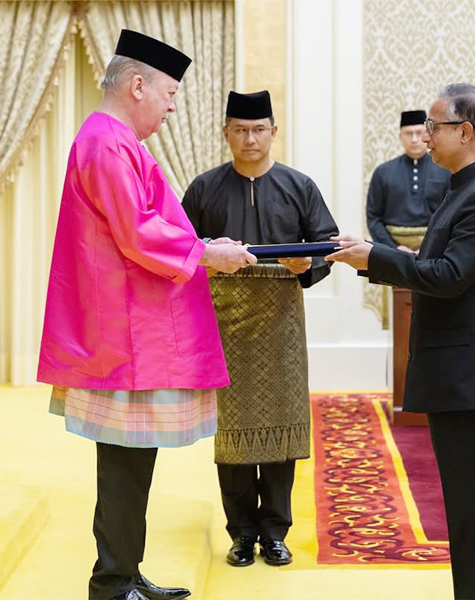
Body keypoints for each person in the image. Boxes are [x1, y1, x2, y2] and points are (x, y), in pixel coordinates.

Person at [37, 30, 255, 600]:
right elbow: (137, 233)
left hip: (130, 327)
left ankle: (126, 574)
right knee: (123, 467)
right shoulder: (107, 142)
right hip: (124, 334)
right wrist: (206, 255)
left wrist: (201, 245)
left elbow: (146, 225)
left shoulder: (113, 138)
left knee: (132, 464)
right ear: (138, 85)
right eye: (169, 94)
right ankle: (112, 585)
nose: (171, 106)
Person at [328, 83, 475, 600]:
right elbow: (438, 267)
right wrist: (371, 253)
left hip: (471, 377)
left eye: (435, 126)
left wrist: (374, 258)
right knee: (465, 507)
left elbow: (449, 276)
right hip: (460, 375)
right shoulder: (462, 187)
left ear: (466, 131)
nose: (427, 135)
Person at [182, 90, 338, 568]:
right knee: (230, 430)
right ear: (226, 133)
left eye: (258, 130)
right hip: (223, 324)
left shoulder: (299, 186)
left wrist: (306, 264)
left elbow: (327, 245)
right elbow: (181, 250)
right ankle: (241, 533)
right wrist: (209, 260)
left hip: (280, 324)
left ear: (273, 132)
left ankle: (274, 532)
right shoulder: (204, 188)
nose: (249, 139)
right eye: (240, 130)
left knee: (279, 427)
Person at [366, 109, 450, 253]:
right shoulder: (383, 172)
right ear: (400, 136)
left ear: (428, 135)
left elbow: (451, 215)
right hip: (391, 252)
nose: (414, 139)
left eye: (419, 133)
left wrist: (428, 248)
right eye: (408, 133)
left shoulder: (445, 170)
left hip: (435, 251)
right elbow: (373, 217)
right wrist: (394, 248)